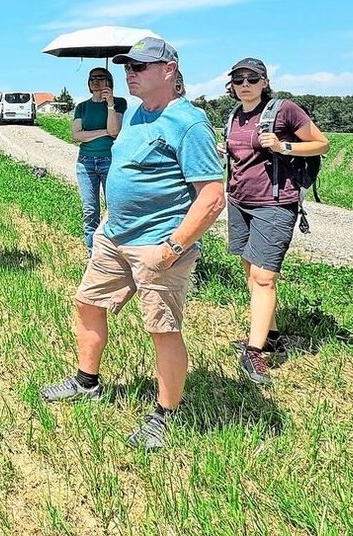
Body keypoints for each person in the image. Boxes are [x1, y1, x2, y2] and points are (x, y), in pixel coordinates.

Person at [39, 38, 224, 451]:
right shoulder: (139, 113)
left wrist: (172, 248)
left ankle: (165, 415)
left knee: (162, 328)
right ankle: (87, 382)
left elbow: (212, 198)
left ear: (169, 70)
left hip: (157, 244)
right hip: (114, 236)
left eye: (140, 67)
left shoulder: (189, 123)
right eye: (128, 66)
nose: (130, 73)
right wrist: (107, 223)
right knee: (88, 303)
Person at [221, 58, 329, 385]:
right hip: (239, 200)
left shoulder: (284, 110)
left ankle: (254, 352)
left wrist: (284, 146)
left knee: (264, 276)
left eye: (252, 78)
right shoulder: (234, 115)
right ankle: (269, 337)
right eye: (238, 79)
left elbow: (321, 144)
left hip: (275, 203)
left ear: (265, 82)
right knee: (251, 273)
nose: (245, 84)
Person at [73, 67, 127, 252]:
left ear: (109, 82)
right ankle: (92, 254)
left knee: (113, 208)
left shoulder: (119, 103)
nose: (95, 81)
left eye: (101, 78)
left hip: (109, 160)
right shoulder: (82, 107)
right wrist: (104, 132)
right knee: (90, 210)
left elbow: (115, 131)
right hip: (85, 162)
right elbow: (76, 135)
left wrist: (110, 105)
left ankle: (114, 253)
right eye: (92, 78)